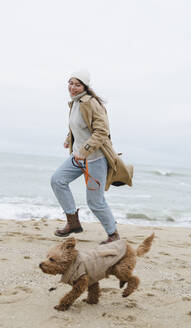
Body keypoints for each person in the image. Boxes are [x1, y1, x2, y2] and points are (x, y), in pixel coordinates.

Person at [50, 70, 120, 244]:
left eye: (77, 84)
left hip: (95, 159)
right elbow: (78, 126)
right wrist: (69, 140)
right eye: (70, 83)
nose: (72, 87)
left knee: (95, 202)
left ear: (85, 87)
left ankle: (113, 235)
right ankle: (73, 222)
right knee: (57, 180)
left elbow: (102, 132)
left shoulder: (91, 103)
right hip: (78, 158)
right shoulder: (75, 103)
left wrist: (84, 150)